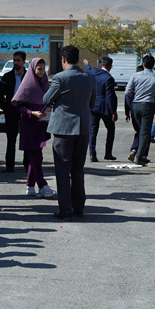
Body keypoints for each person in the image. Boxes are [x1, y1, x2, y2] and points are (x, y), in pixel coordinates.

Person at [42, 45, 95, 220]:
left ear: (63, 60)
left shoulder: (60, 78)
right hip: (83, 129)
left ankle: (65, 210)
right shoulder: (89, 78)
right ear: (78, 59)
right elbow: (92, 103)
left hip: (63, 130)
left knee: (63, 171)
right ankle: (78, 208)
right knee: (78, 170)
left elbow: (46, 99)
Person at [12, 57, 56, 198]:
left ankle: (30, 186)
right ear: (33, 68)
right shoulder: (27, 84)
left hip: (41, 126)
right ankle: (42, 185)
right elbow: (19, 106)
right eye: (39, 69)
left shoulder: (44, 84)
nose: (42, 72)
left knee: (35, 157)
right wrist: (32, 113)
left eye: (44, 69)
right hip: (30, 125)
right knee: (35, 156)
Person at [125, 55, 155, 165]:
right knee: (145, 133)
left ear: (143, 64)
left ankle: (140, 154)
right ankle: (140, 157)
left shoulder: (135, 76)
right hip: (147, 106)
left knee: (140, 131)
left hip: (136, 106)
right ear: (153, 65)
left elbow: (127, 92)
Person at [0, 51, 27, 172]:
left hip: (25, 111)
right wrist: (5, 107)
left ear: (23, 62)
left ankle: (28, 165)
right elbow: (1, 93)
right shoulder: (7, 76)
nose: (15, 62)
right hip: (11, 111)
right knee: (11, 139)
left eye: (18, 60)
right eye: (14, 60)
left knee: (26, 138)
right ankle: (9, 165)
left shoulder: (29, 77)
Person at [88, 56, 118, 163]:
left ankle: (92, 154)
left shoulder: (93, 72)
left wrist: (87, 64)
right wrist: (113, 111)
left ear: (101, 65)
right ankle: (108, 153)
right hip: (105, 108)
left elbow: (88, 69)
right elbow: (110, 96)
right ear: (110, 66)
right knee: (111, 129)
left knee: (93, 131)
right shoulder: (108, 78)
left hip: (93, 106)